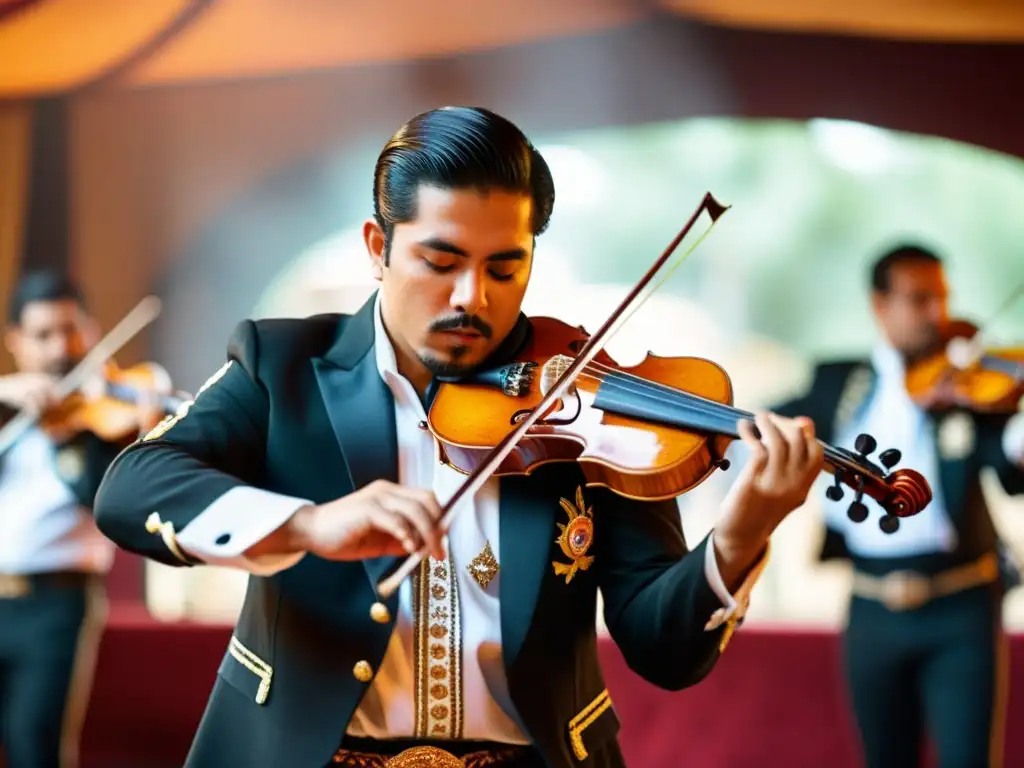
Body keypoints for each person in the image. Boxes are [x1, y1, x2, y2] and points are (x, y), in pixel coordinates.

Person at [94, 106, 826, 768]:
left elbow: (663, 650)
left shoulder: (586, 407)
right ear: (378, 246)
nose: (473, 298)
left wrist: (739, 537)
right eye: (440, 263)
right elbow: (133, 486)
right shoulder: (280, 365)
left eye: (505, 268)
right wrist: (309, 523)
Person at [772, 244, 1024, 768]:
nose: (940, 316)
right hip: (869, 609)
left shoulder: (966, 391)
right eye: (920, 300)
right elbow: (768, 424)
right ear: (880, 305)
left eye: (944, 299)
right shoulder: (839, 382)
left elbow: (1007, 462)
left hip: (962, 606)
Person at [0, 271, 165, 768]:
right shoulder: (7, 406)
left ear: (91, 332)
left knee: (34, 744)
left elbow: (102, 499)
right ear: (15, 342)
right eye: (42, 336)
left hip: (56, 602)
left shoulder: (103, 414)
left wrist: (67, 437)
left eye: (70, 332)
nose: (59, 350)